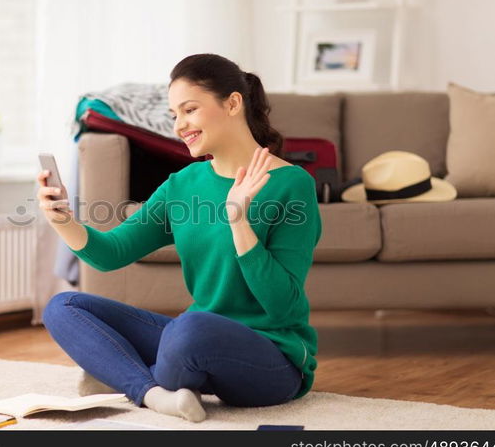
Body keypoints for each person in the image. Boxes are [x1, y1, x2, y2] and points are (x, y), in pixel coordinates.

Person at [38, 53, 321, 423]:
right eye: (174, 115)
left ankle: (124, 375)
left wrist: (239, 221)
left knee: (189, 329)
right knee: (64, 306)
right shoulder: (182, 185)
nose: (179, 125)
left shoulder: (292, 185)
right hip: (196, 338)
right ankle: (154, 393)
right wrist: (61, 220)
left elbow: (283, 307)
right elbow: (111, 253)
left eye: (189, 110)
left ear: (233, 103)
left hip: (273, 358)